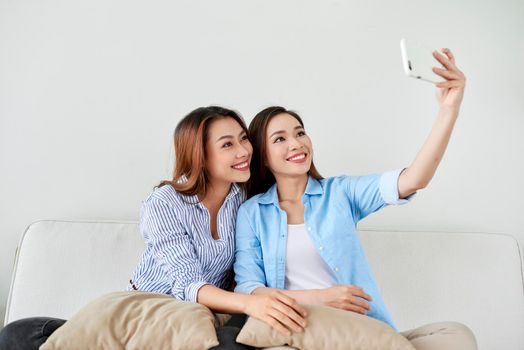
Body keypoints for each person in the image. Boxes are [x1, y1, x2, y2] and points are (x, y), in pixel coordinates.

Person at [0, 106, 307, 350]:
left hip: (201, 318)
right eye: (227, 144)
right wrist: (252, 303)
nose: (243, 151)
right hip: (144, 309)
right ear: (200, 154)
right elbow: (188, 285)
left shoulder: (245, 198)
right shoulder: (164, 203)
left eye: (243, 139)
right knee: (20, 333)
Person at [234, 49, 478, 349]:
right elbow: (249, 290)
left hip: (358, 330)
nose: (296, 143)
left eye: (300, 133)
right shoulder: (252, 213)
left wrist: (448, 109)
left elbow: (414, 179)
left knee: (455, 336)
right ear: (264, 157)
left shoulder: (340, 193)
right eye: (280, 139)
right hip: (297, 328)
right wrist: (323, 298)